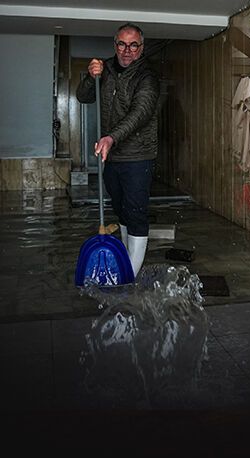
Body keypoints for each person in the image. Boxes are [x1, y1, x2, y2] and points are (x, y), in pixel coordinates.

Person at [76, 22, 158, 277]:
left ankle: (129, 275)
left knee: (135, 211)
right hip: (112, 156)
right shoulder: (106, 69)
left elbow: (140, 114)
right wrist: (90, 77)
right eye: (122, 44)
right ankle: (125, 259)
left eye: (133, 45)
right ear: (115, 45)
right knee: (121, 209)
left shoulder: (147, 77)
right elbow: (83, 96)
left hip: (137, 156)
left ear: (141, 48)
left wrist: (111, 138)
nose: (127, 51)